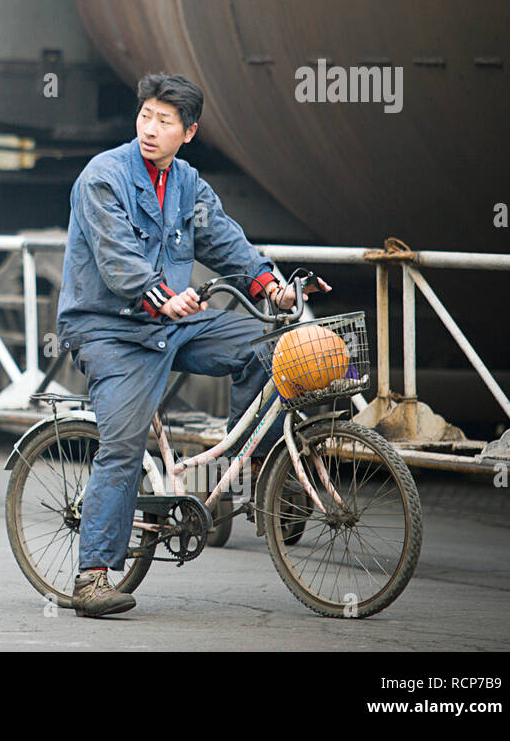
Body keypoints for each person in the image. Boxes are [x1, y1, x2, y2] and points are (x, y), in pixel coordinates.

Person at [55, 73, 329, 617]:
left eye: (165, 121)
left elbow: (225, 241)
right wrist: (163, 298)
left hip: (173, 323)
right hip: (111, 329)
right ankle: (92, 577)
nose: (151, 129)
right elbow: (117, 262)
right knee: (123, 445)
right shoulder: (102, 177)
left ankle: (260, 470)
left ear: (190, 131)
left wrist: (270, 286)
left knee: (273, 349)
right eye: (145, 117)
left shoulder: (187, 183)